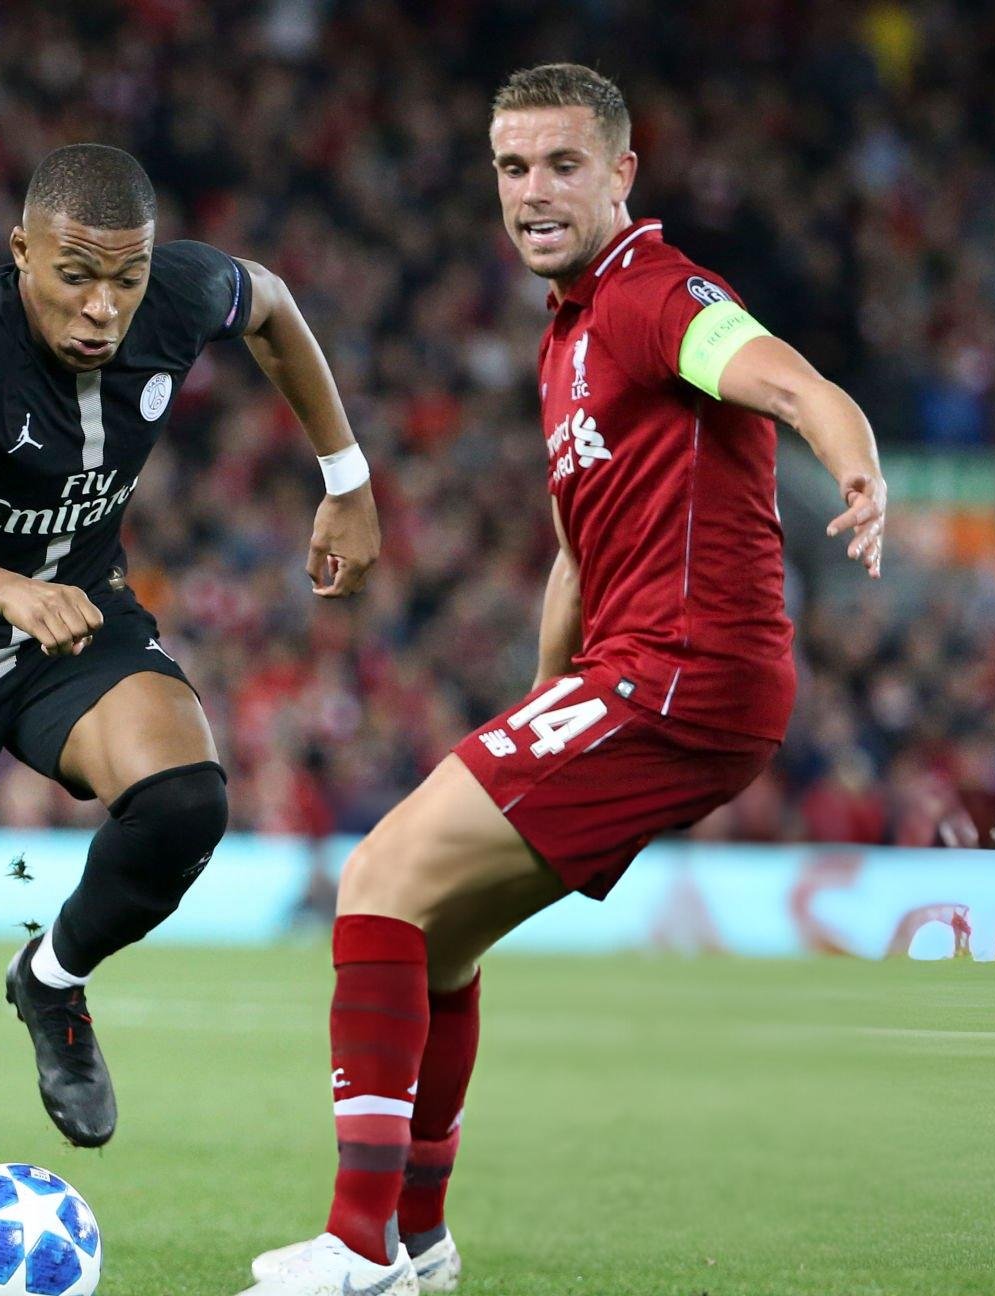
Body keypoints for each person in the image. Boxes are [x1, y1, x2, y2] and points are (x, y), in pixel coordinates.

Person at [241, 64, 887, 1296]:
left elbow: (792, 383)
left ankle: (353, 1244)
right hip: (639, 674)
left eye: (560, 165)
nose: (531, 192)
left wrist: (851, 464)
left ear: (619, 173)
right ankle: (417, 1241)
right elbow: (576, 556)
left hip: (681, 674)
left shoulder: (656, 296)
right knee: (437, 934)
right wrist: (537, 707)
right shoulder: (565, 336)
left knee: (374, 878)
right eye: (510, 168)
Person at [0, 142, 380, 1295]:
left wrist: (346, 478)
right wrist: (2, 590)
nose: (103, 308)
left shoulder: (179, 294)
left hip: (76, 620)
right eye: (74, 277)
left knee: (183, 800)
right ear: (20, 252)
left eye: (125, 278)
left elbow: (270, 303)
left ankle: (51, 976)